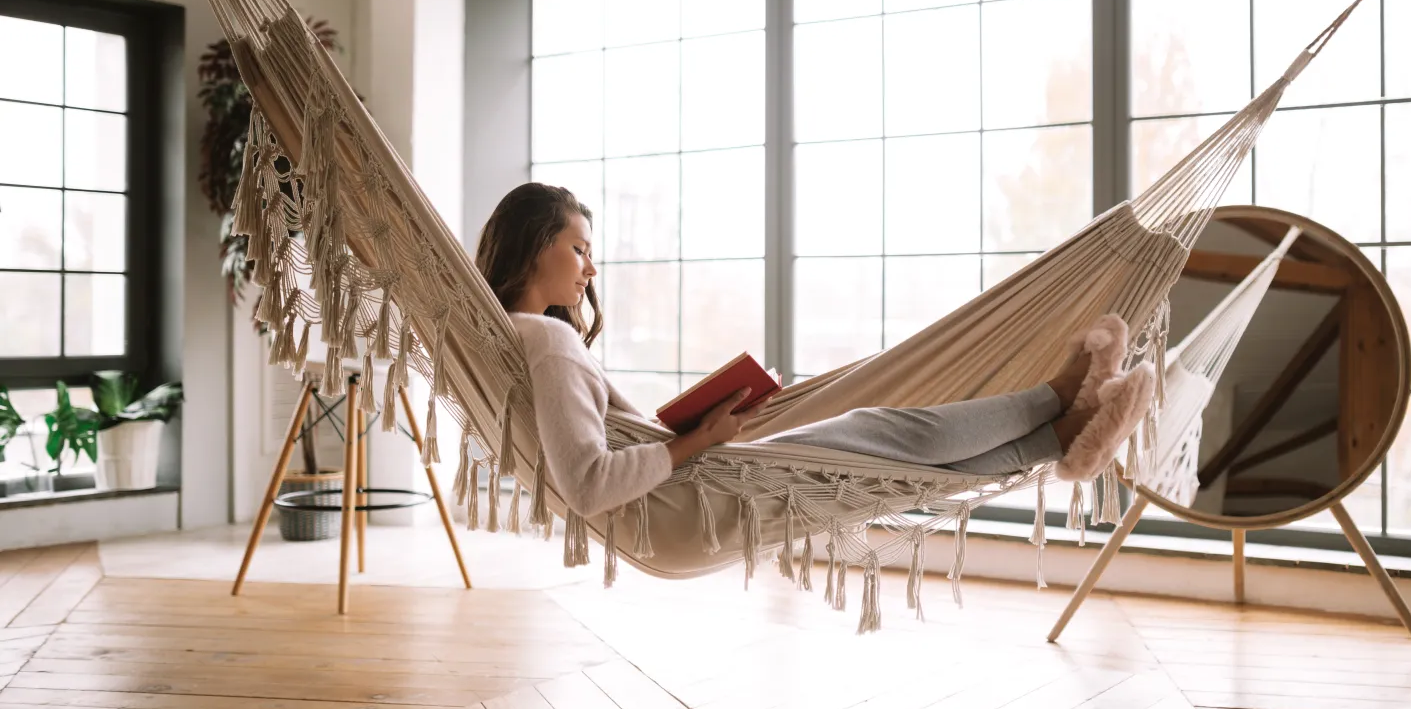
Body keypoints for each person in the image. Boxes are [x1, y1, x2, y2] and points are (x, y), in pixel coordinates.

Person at [475, 183, 1155, 518]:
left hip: (694, 486)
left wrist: (694, 429)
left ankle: (1060, 436)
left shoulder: (529, 337)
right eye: (579, 249)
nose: (590, 269)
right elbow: (588, 486)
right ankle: (1057, 398)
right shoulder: (552, 341)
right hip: (696, 495)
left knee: (905, 462)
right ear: (537, 245)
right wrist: (700, 439)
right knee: (884, 431)